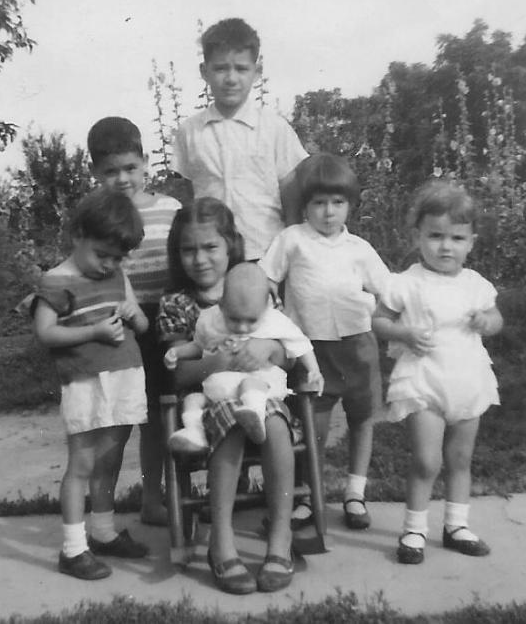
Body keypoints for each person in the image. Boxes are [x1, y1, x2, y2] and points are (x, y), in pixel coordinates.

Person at [157, 198, 299, 594]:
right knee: (234, 423)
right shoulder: (177, 303)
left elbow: (286, 353)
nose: (200, 259)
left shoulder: (258, 289)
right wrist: (218, 361)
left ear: (230, 245)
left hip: (263, 392)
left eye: (210, 247)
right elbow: (180, 371)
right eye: (189, 249)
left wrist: (268, 350)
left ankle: (280, 538)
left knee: (274, 422)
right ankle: (221, 541)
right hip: (207, 403)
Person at [371, 180, 503, 565]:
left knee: (460, 458)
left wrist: (487, 321)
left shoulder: (475, 284)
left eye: (457, 238)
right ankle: (414, 529)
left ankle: (456, 524)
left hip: (468, 379)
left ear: (471, 242)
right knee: (427, 460)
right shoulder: (406, 283)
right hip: (424, 380)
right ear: (418, 236)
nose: (446, 246)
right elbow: (379, 322)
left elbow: (495, 317)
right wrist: (403, 332)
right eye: (436, 236)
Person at [23, 188, 151, 580]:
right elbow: (45, 335)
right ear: (77, 235)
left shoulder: (118, 275)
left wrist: (133, 313)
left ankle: (103, 532)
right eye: (102, 254)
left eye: (116, 257)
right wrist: (93, 331)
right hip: (84, 382)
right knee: (81, 464)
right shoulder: (56, 281)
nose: (108, 264)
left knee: (110, 461)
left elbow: (144, 327)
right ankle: (73, 548)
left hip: (124, 378)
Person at [261, 153, 389, 531]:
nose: (328, 212)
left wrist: (380, 311)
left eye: (337, 202)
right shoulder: (292, 239)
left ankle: (355, 493)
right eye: (319, 203)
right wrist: (272, 301)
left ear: (350, 204)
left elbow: (389, 291)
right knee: (311, 425)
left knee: (362, 418)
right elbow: (267, 276)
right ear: (305, 205)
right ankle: (307, 496)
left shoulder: (360, 249)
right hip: (311, 350)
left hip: (357, 345)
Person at [87, 116, 181, 527]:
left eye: (130, 168)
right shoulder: (95, 217)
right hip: (122, 326)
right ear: (95, 173)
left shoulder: (170, 208)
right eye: (110, 172)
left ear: (146, 163)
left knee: (165, 418)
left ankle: (159, 496)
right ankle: (106, 508)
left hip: (169, 323)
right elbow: (91, 270)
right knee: (125, 420)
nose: (123, 179)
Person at [170, 17, 307, 261]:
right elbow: (188, 193)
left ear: (257, 72)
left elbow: (291, 193)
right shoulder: (189, 131)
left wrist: (290, 253)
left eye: (241, 69)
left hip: (266, 251)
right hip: (212, 258)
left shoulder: (274, 128)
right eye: (221, 68)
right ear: (205, 71)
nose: (231, 78)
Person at [164, 262, 323, 451]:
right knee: (193, 400)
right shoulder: (209, 319)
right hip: (218, 393)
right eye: (234, 319)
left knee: (250, 385)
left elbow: (300, 344)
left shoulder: (275, 321)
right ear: (222, 304)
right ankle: (195, 433)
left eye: (251, 321)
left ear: (265, 307)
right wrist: (178, 352)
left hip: (260, 384)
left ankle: (253, 414)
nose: (242, 327)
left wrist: (314, 370)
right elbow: (199, 346)